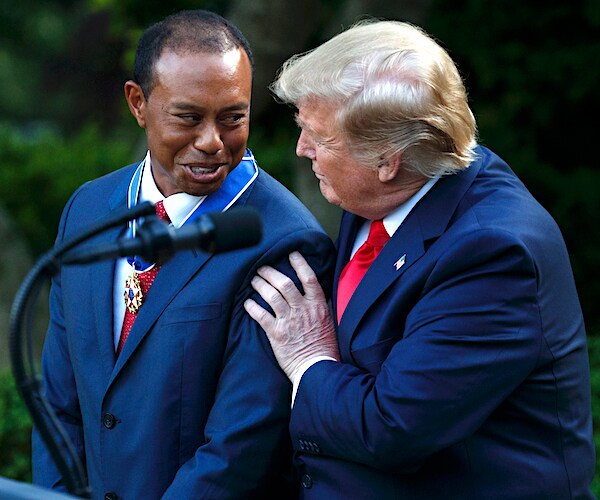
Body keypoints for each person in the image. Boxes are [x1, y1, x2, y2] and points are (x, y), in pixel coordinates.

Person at [244, 19, 596, 499]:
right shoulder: (387, 190)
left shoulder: (493, 253)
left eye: (319, 138)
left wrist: (308, 361)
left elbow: (391, 429)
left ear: (388, 160)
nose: (302, 150)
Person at [32, 9, 335, 499]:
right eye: (189, 117)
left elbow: (240, 444)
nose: (213, 141)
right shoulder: (86, 210)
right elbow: (60, 402)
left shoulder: (283, 241)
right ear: (138, 103)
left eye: (234, 118)